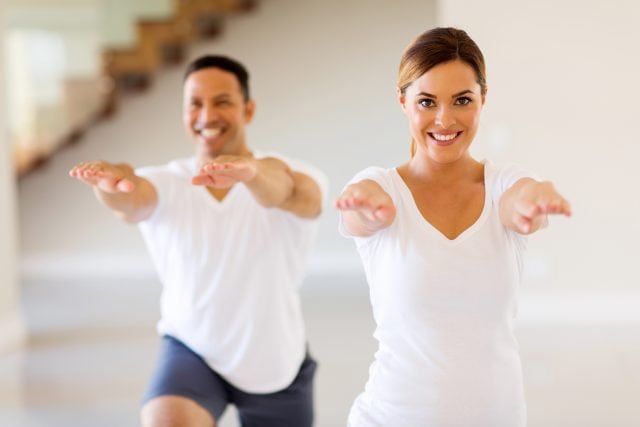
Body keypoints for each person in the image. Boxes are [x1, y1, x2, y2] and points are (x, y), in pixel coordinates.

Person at [69, 55, 327, 427]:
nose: (207, 115)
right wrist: (111, 186)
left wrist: (250, 172)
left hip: (273, 359)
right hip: (192, 348)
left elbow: (288, 191)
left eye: (222, 101)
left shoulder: (296, 173)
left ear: (248, 110)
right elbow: (130, 197)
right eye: (195, 103)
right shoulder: (166, 181)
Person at [336, 27, 571, 427]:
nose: (444, 119)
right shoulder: (381, 186)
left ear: (483, 97)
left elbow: (520, 198)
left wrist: (535, 198)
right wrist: (365, 207)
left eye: (462, 100)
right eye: (426, 102)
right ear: (403, 101)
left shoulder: (503, 185)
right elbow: (357, 208)